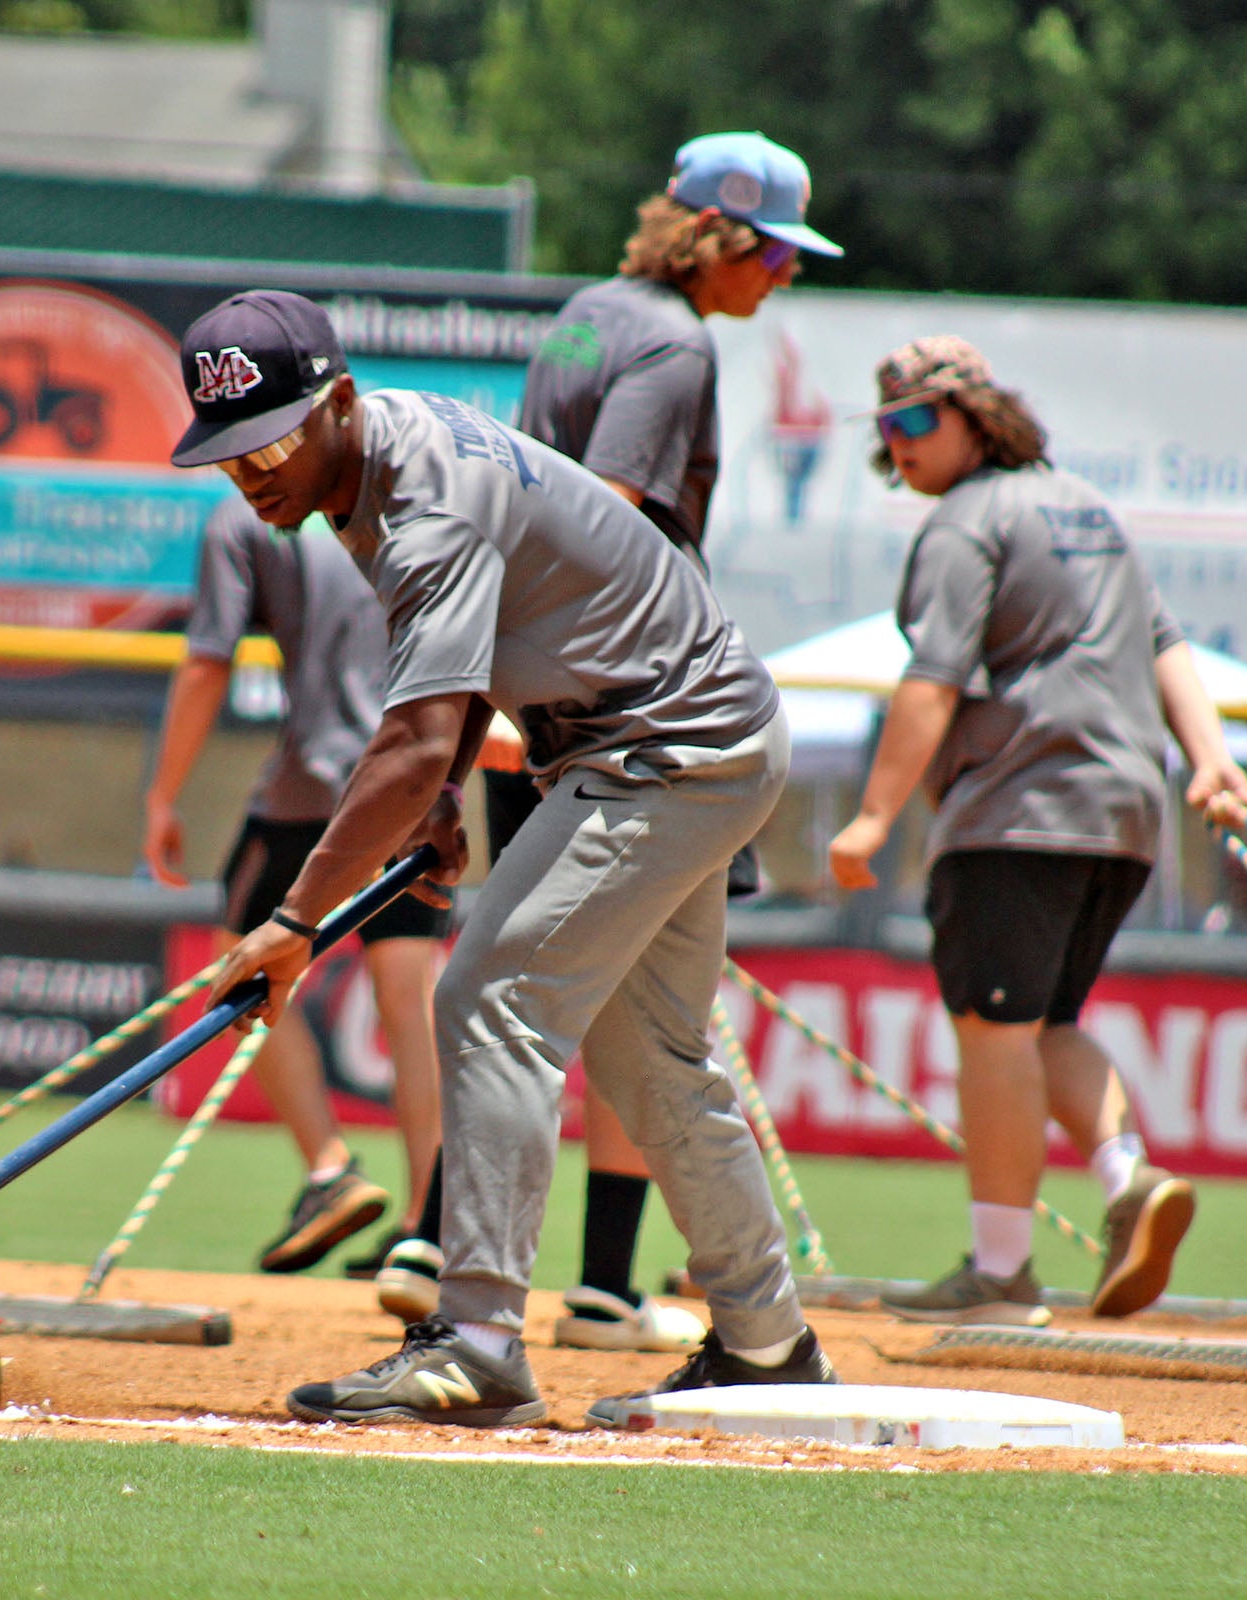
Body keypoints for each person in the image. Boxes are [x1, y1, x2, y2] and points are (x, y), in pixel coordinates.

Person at [175, 289, 833, 1428]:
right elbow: (467, 666)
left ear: (336, 403)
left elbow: (414, 731)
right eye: (230, 452)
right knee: (652, 1057)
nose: (253, 471)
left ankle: (476, 1341)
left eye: (271, 439)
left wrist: (294, 923)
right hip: (665, 733)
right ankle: (769, 1342)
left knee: (489, 996)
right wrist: (443, 805)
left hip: (665, 743)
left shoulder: (414, 500)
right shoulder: (379, 457)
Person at [494, 129, 843, 1355]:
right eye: (781, 252)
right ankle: (552, 1294)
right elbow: (609, 519)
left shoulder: (589, 312)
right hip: (644, 724)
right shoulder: (679, 341)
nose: (786, 277)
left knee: (528, 996)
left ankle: (465, 1262)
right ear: (728, 240)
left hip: (552, 709)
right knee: (616, 1019)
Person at [826, 336, 1247, 1325]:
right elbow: (1166, 643)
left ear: (979, 417)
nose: (900, 446)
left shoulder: (966, 522)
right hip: (1125, 812)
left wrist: (874, 818)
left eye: (917, 421)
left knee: (992, 1035)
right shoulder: (1088, 508)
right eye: (888, 430)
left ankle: (1001, 1270)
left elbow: (932, 682)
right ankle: (1125, 1179)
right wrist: (1212, 758)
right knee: (1042, 1024)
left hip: (1019, 807)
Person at [142, 491, 448, 1278]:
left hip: (312, 790)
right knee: (409, 995)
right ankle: (429, 1227)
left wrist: (163, 794)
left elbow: (209, 658)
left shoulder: (243, 515)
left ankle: (327, 1170)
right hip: (415, 786)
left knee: (235, 960)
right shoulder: (413, 501)